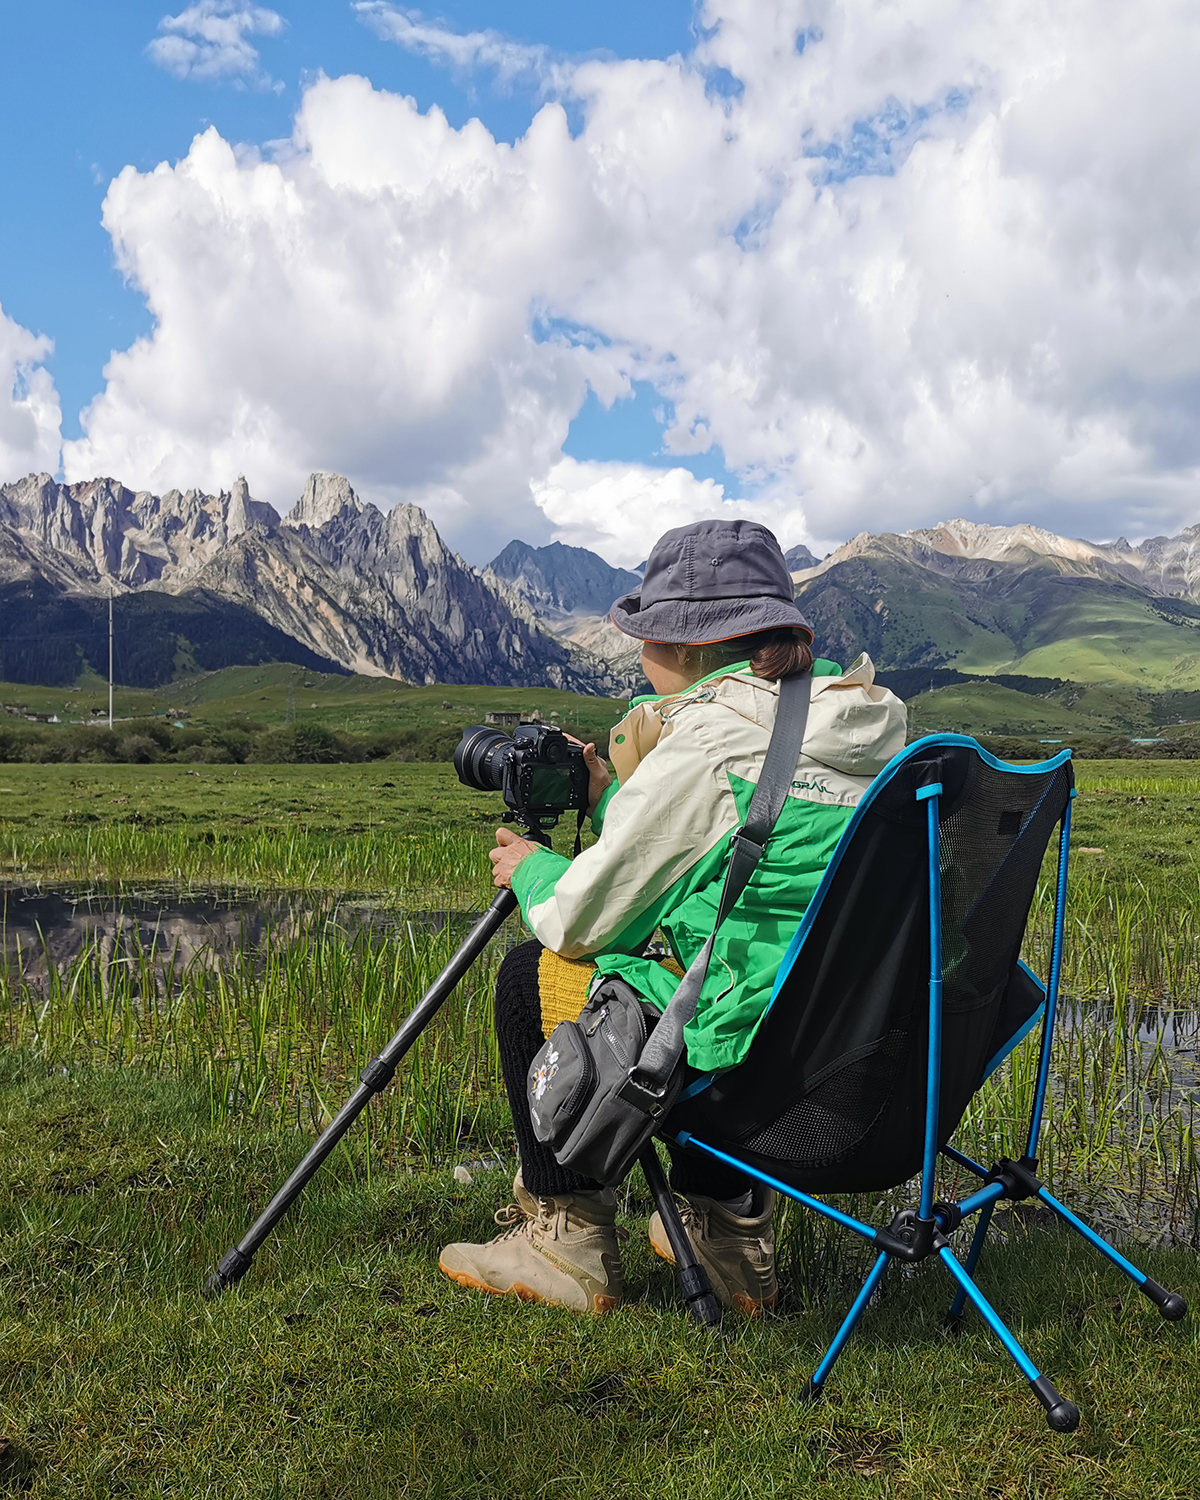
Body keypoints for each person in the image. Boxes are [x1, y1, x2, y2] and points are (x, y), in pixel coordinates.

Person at [439, 519, 906, 1315]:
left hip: (756, 1075)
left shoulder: (711, 741)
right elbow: (755, 843)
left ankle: (566, 1239)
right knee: (723, 972)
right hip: (861, 1059)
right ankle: (732, 1241)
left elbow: (583, 917)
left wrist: (530, 867)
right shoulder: (870, 724)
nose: (640, 656)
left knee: (530, 977)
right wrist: (615, 797)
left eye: (646, 637)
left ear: (690, 650)